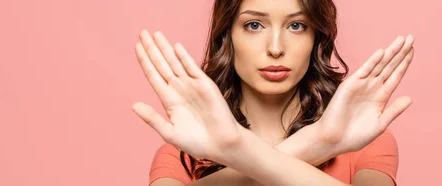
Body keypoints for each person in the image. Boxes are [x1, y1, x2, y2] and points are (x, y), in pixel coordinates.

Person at [132, 0, 415, 185]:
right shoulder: (182, 153)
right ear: (226, 36)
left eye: (296, 25)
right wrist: (315, 144)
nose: (276, 48)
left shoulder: (362, 140)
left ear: (316, 36)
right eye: (254, 25)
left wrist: (238, 149)